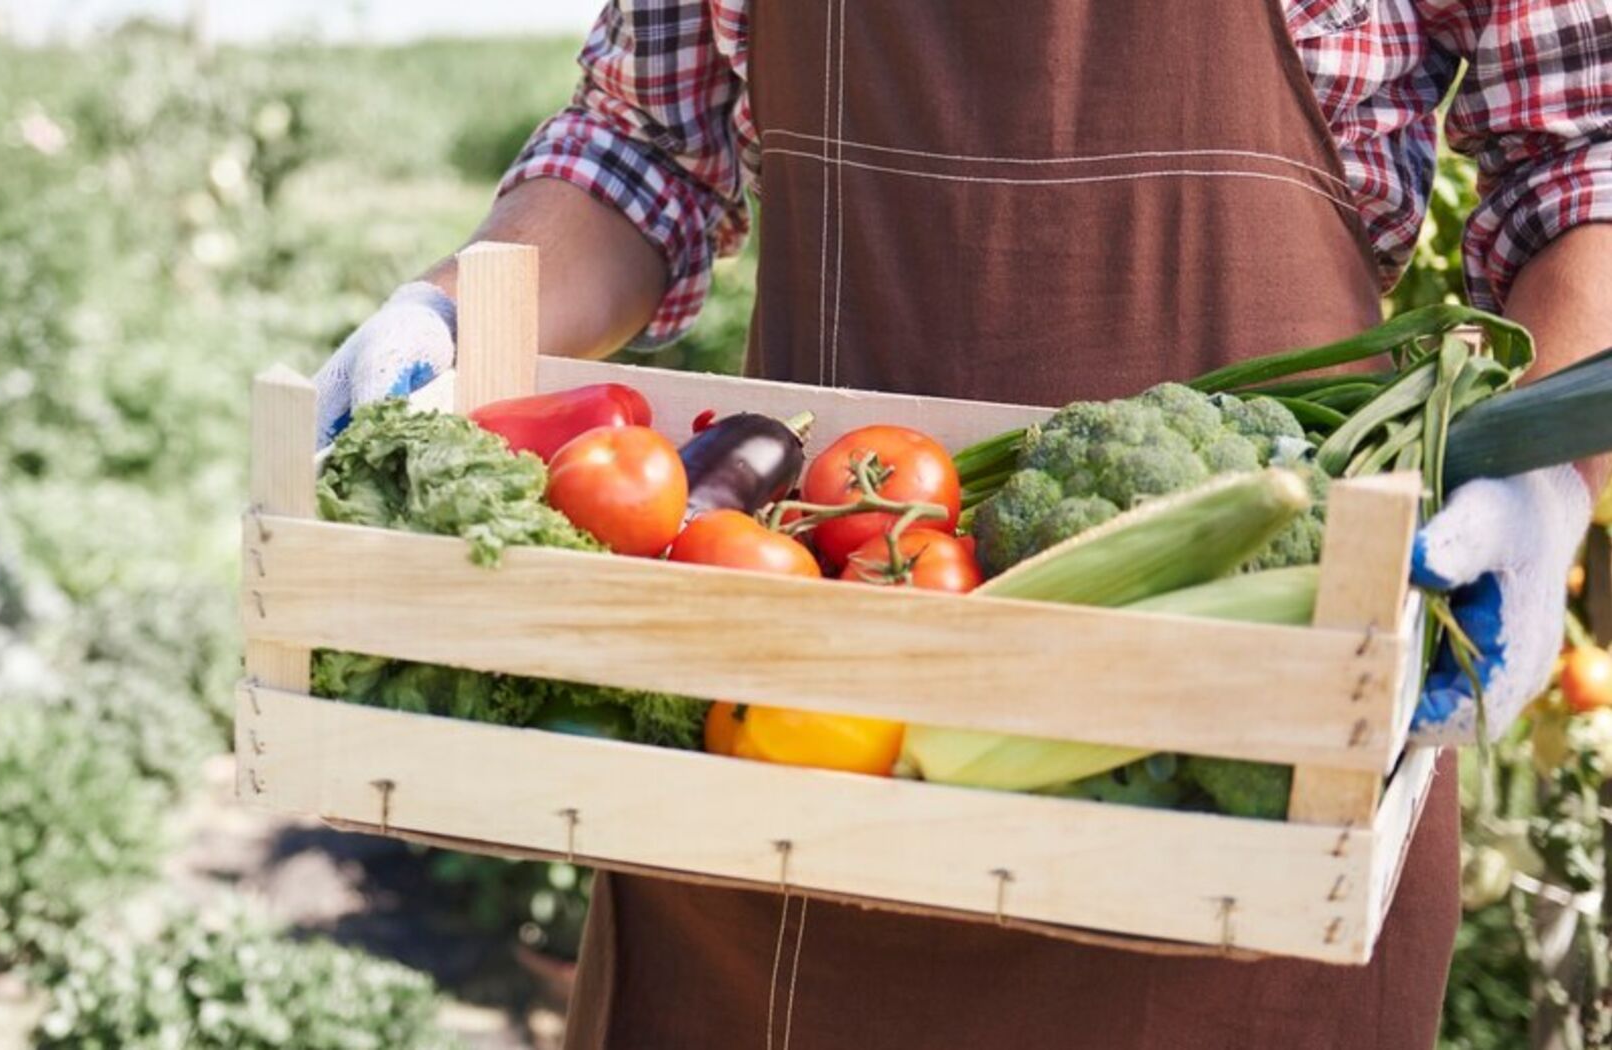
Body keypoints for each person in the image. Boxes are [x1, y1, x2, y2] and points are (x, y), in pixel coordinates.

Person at [313, 0, 1612, 1045]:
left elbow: (1583, 160)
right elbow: (642, 148)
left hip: (1245, 765)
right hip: (800, 739)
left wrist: (1545, 470)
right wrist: (448, 315)